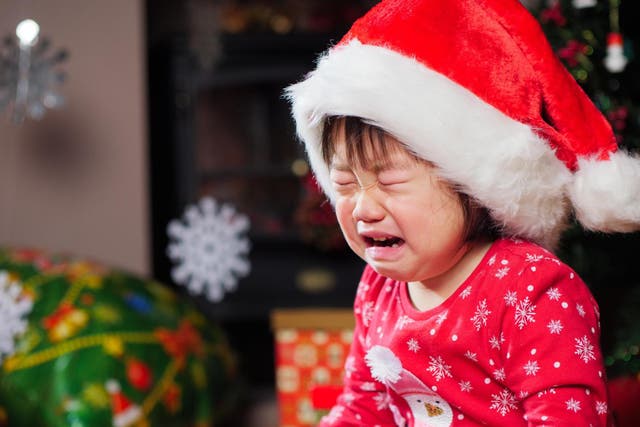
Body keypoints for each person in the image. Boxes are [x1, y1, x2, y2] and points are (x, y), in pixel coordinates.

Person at [286, 0, 640, 425]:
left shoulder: (532, 290)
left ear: (469, 182)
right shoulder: (378, 288)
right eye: (344, 184)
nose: (363, 207)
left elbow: (566, 416)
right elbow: (364, 404)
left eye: (391, 181)